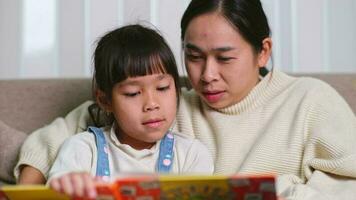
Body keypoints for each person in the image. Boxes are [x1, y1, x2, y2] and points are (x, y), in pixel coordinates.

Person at [15, 0, 356, 199]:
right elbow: (62, 134)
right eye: (194, 56)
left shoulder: (309, 101)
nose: (206, 75)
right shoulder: (168, 103)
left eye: (224, 58)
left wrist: (280, 190)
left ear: (263, 52)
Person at [48, 24, 213, 198]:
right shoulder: (82, 150)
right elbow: (56, 188)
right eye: (133, 93)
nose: (151, 104)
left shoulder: (192, 154)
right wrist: (68, 185)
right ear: (105, 100)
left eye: (163, 88)